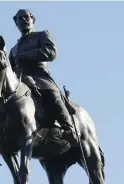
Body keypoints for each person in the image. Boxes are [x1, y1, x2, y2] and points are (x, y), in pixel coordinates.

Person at [8, 9, 78, 145]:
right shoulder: (13, 49)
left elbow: (51, 52)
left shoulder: (41, 35)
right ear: (16, 23)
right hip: (20, 82)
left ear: (32, 19)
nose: (23, 20)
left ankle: (69, 129)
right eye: (19, 19)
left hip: (40, 78)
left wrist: (25, 55)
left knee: (53, 95)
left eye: (26, 17)